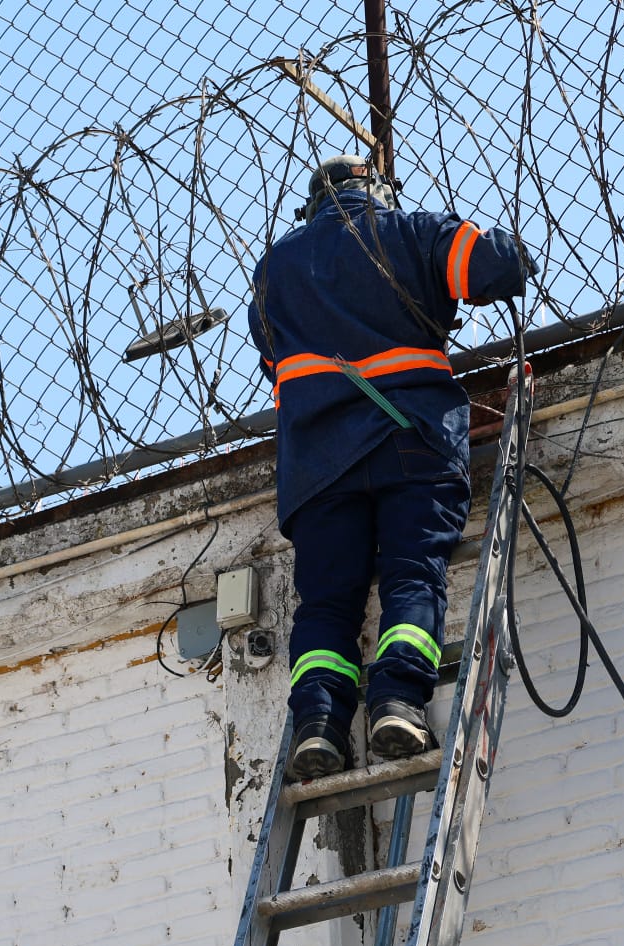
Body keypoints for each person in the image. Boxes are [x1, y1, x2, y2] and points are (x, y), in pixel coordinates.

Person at [248, 155, 534, 780]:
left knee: (325, 603)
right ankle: (398, 701)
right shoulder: (410, 231)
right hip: (412, 440)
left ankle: (319, 722)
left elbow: (277, 363)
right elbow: (499, 265)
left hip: (319, 466)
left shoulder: (275, 269)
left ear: (315, 203)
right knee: (413, 572)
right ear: (377, 191)